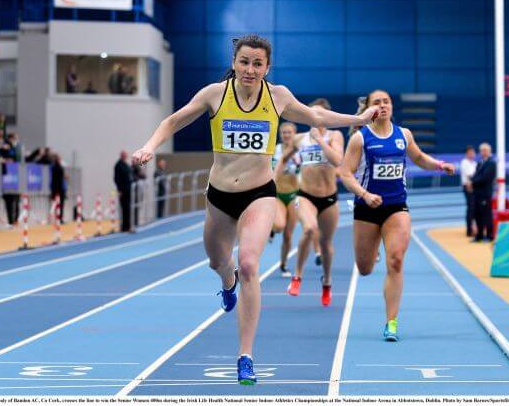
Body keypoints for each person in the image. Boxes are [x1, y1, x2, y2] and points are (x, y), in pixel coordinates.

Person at [132, 34, 378, 385]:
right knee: (218, 261)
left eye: (257, 63)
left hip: (260, 194)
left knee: (250, 263)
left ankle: (245, 356)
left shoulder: (277, 97)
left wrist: (359, 120)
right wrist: (149, 147)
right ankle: (226, 280)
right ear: (234, 62)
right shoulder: (214, 94)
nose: (250, 69)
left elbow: (317, 115)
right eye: (244, 61)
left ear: (267, 67)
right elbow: (172, 121)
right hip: (219, 196)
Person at [339, 89, 454, 342]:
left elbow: (419, 157)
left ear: (392, 106)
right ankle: (373, 250)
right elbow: (345, 173)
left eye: (387, 101)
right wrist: (365, 194)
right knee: (365, 268)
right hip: (367, 208)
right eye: (377, 102)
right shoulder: (360, 138)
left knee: (396, 260)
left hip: (396, 207)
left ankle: (391, 322)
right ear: (369, 108)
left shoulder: (404, 135)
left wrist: (438, 165)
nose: (383, 105)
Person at [282, 98, 344, 306]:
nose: (315, 118)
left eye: (319, 114)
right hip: (304, 196)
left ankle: (326, 281)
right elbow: (283, 158)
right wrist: (273, 178)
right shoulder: (299, 139)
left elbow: (337, 161)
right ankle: (297, 276)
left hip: (328, 198)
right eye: (311, 114)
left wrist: (319, 140)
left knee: (326, 244)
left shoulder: (335, 135)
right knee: (309, 229)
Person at [270, 122, 301, 277]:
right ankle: (272, 229)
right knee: (279, 225)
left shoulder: (300, 151)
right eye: (284, 132)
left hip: (294, 195)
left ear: (295, 133)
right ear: (280, 134)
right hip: (278, 195)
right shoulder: (274, 151)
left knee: (288, 236)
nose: (287, 135)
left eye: (289, 132)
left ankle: (283, 265)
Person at [467, 142, 496, 242]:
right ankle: (479, 235)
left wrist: (473, 183)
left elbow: (485, 178)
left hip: (485, 193)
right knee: (477, 214)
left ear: (489, 151)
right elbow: (476, 175)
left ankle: (489, 235)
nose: (483, 152)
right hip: (477, 193)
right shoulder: (480, 163)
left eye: (485, 150)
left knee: (486, 214)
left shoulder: (492, 163)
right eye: (482, 150)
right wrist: (471, 182)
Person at [114, 151, 133, 232]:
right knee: (124, 208)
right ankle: (125, 227)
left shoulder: (126, 165)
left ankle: (127, 226)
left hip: (128, 189)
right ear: (122, 156)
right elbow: (116, 178)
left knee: (128, 209)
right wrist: (119, 190)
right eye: (125, 155)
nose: (126, 156)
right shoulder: (118, 165)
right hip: (123, 190)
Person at [460, 145, 477, 237]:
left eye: (473, 152)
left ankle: (474, 227)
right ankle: (469, 230)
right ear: (467, 154)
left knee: (474, 208)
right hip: (468, 187)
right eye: (470, 153)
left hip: (474, 187)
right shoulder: (464, 162)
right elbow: (470, 175)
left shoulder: (474, 163)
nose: (472, 154)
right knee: (470, 208)